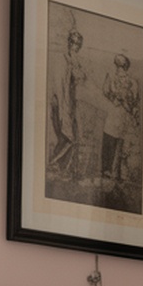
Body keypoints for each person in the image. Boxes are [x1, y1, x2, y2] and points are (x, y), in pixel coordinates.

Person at [48, 28, 85, 179]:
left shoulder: (74, 60)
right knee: (68, 137)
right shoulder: (63, 59)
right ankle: (54, 163)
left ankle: (62, 168)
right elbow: (60, 85)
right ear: (69, 42)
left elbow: (81, 77)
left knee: (72, 137)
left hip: (71, 103)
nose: (75, 46)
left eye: (78, 44)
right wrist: (63, 108)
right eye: (74, 42)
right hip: (62, 103)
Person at [100, 52, 140, 183]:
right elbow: (106, 91)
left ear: (125, 66)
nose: (118, 68)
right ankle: (106, 171)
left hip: (124, 116)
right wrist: (114, 98)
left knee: (121, 144)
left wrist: (130, 108)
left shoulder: (132, 82)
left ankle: (119, 174)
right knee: (109, 140)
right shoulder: (111, 77)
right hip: (114, 114)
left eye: (121, 65)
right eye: (117, 65)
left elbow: (135, 100)